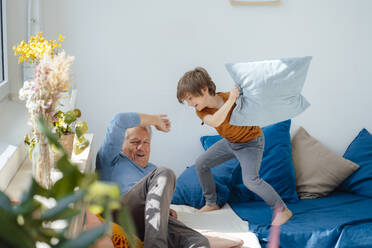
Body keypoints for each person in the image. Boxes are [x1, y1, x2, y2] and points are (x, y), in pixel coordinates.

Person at [176, 67, 293, 226]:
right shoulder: (202, 110)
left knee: (250, 180)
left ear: (204, 90)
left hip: (251, 143)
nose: (190, 104)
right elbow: (216, 121)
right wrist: (231, 99)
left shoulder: (233, 99)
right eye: (187, 101)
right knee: (201, 163)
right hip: (231, 142)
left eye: (190, 98)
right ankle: (211, 203)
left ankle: (282, 210)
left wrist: (241, 95)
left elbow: (256, 104)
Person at [96, 112, 210, 248]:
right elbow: (119, 120)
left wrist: (166, 209)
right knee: (165, 173)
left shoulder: (152, 170)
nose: (141, 147)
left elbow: (158, 204)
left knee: (199, 242)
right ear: (121, 144)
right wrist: (155, 120)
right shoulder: (110, 159)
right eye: (135, 142)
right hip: (120, 213)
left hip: (150, 224)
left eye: (146, 142)